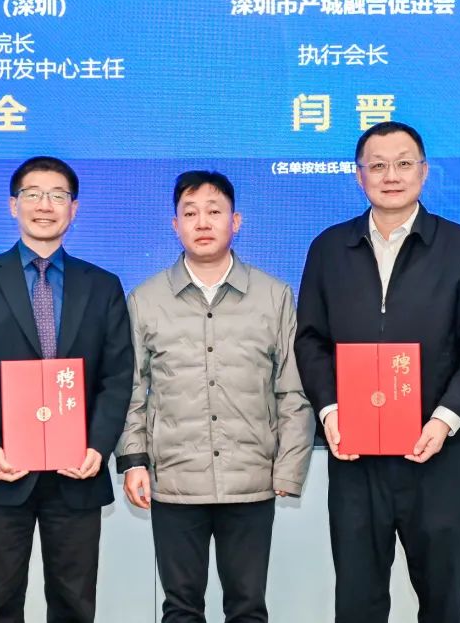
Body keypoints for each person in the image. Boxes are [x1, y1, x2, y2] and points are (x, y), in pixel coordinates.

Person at [294, 122, 460, 623]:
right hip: (355, 458)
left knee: (442, 601)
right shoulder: (329, 249)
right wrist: (329, 410)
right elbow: (310, 340)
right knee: (357, 601)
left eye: (404, 163)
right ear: (359, 175)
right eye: (378, 165)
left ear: (424, 171)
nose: (391, 176)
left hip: (436, 456)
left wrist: (444, 420)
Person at [116, 170, 315, 623]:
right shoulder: (145, 300)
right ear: (175, 225)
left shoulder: (274, 296)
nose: (202, 222)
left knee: (247, 608)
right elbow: (131, 390)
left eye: (214, 211)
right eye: (190, 213)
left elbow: (292, 389)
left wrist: (289, 467)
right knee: (180, 608)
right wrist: (133, 462)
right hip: (174, 481)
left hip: (251, 480)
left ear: (235, 221)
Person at [0, 156, 134, 623]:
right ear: (14, 205)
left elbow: (117, 378)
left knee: (74, 605)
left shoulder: (103, 285)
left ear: (74, 209)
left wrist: (97, 447)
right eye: (33, 194)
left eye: (57, 196)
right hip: (0, 472)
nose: (44, 205)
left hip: (76, 472)